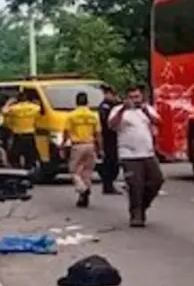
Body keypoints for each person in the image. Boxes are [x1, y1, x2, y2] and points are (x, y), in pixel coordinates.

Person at [108, 85, 163, 227]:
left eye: (137, 97)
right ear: (126, 98)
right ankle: (136, 214)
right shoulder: (118, 111)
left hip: (148, 153)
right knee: (135, 185)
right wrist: (122, 110)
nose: (135, 100)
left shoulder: (146, 109)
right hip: (129, 155)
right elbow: (112, 125)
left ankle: (143, 206)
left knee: (156, 181)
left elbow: (159, 122)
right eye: (131, 97)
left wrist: (146, 111)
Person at [64, 91, 102, 207]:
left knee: (74, 171)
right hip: (90, 144)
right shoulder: (93, 115)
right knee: (87, 172)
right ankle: (83, 198)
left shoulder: (71, 115)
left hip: (77, 145)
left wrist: (63, 145)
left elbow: (66, 132)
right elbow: (98, 134)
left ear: (76, 102)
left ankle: (83, 189)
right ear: (87, 102)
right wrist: (100, 149)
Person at [1, 91, 42, 171]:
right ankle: (29, 171)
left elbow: (4, 111)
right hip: (30, 136)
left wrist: (9, 103)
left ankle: (18, 172)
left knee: (14, 157)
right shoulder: (34, 107)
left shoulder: (14, 108)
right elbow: (40, 109)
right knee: (31, 157)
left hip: (18, 136)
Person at [96, 86, 121, 195]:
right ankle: (107, 185)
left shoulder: (113, 105)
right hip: (107, 138)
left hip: (114, 138)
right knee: (110, 162)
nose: (114, 97)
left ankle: (109, 184)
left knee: (114, 163)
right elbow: (106, 122)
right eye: (112, 95)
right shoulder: (105, 107)